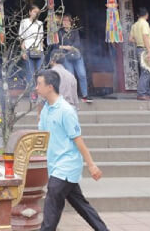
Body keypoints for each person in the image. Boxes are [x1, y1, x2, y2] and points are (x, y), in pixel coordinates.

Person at [36, 69, 109, 231]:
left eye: (39, 84)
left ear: (50, 87)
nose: (36, 87)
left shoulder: (66, 110)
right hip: (55, 165)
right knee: (81, 205)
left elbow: (78, 139)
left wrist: (91, 165)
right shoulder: (46, 108)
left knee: (51, 205)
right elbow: (42, 133)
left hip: (66, 165)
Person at [58, 14, 92, 104]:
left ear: (71, 22)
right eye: (64, 21)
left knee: (82, 74)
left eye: (67, 21)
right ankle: (71, 96)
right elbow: (57, 45)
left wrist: (67, 47)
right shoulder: (60, 32)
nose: (65, 22)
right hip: (66, 57)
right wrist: (67, 47)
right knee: (70, 76)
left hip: (76, 56)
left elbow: (77, 43)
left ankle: (85, 95)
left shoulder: (75, 31)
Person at [129, 8, 150, 101]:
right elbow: (145, 36)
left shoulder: (134, 25)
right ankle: (142, 93)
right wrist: (149, 51)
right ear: (146, 15)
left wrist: (139, 41)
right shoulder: (144, 23)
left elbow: (131, 39)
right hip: (144, 49)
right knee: (146, 72)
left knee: (145, 72)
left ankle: (148, 93)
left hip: (139, 49)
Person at [19, 6, 45, 98]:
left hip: (38, 49)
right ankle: (32, 94)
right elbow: (21, 38)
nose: (36, 14)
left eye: (37, 12)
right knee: (30, 73)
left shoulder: (40, 23)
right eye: (34, 12)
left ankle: (42, 94)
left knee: (41, 72)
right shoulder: (24, 22)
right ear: (30, 12)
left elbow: (41, 38)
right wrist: (23, 51)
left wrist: (42, 50)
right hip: (28, 48)